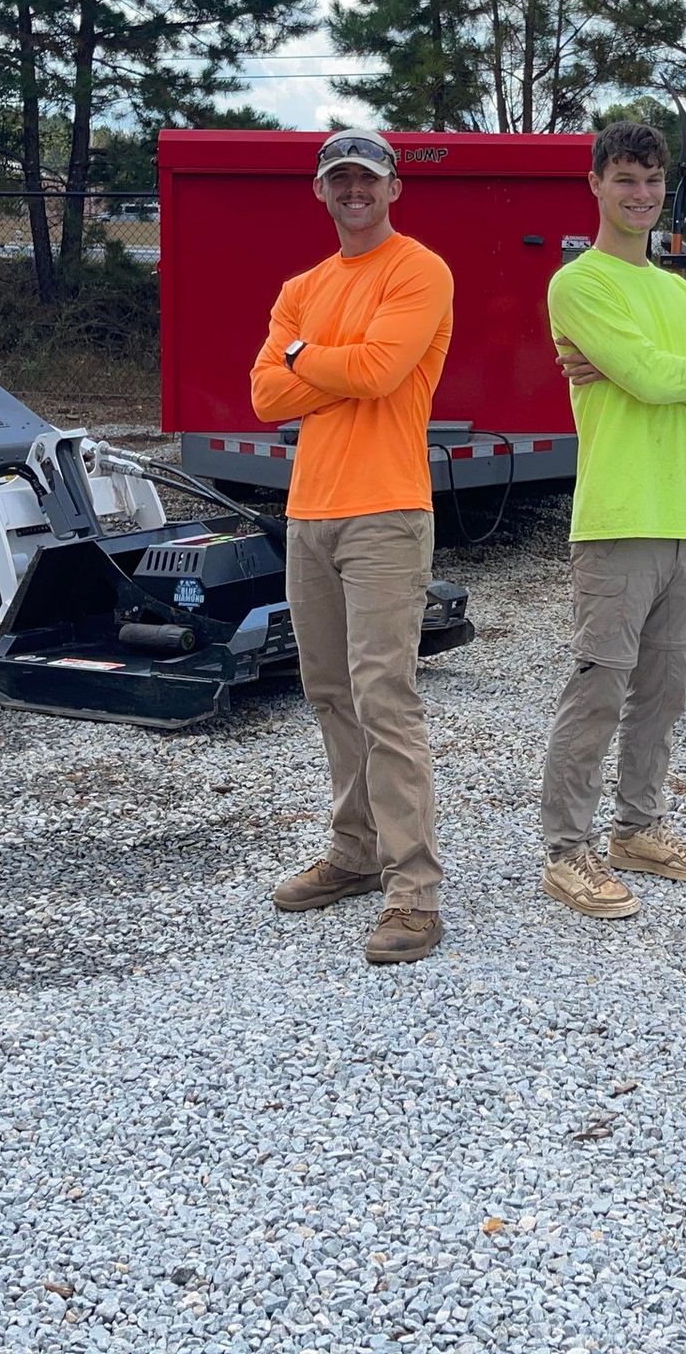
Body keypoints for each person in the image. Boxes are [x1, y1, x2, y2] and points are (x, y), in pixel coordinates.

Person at [250, 128, 454, 966]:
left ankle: (413, 893)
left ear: (393, 188)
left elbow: (378, 372)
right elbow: (265, 396)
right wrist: (322, 365)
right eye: (340, 180)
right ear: (320, 192)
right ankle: (355, 852)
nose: (354, 191)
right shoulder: (300, 285)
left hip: (386, 512)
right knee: (330, 691)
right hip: (310, 514)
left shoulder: (419, 270)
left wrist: (306, 358)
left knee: (384, 698)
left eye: (367, 178)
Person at [539, 119, 686, 918]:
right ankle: (567, 850)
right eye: (624, 179)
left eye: (653, 180)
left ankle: (639, 828)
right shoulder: (579, 284)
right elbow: (665, 380)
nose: (640, 195)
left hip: (680, 522)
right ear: (595, 183)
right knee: (598, 690)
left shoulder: (683, 294)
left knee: (663, 692)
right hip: (617, 519)